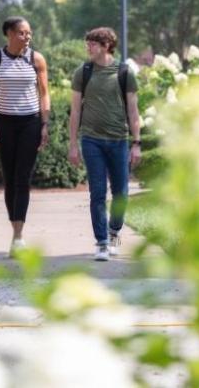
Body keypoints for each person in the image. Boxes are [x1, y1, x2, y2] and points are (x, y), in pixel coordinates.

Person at [68, 27, 141, 261]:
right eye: (87, 43)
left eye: (92, 44)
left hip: (119, 140)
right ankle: (101, 242)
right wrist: (72, 144)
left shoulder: (124, 72)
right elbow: (76, 111)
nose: (88, 48)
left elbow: (133, 110)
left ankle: (114, 235)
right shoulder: (84, 72)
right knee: (97, 192)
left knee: (121, 193)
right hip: (91, 140)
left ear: (107, 45)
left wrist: (136, 143)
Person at [0, 17, 51, 256]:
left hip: (30, 123)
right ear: (9, 34)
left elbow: (44, 94)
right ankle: (15, 228)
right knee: (9, 177)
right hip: (4, 124)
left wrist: (45, 124)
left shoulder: (37, 59)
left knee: (23, 178)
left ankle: (18, 236)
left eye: (29, 33)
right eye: (22, 33)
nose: (27, 37)